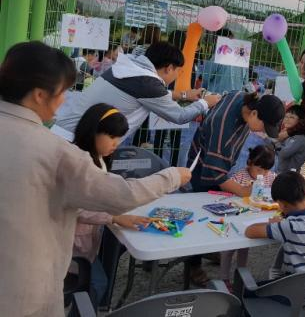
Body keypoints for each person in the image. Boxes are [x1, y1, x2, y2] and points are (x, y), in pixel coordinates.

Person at [0, 41, 191, 316]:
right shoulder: (57, 153)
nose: (65, 101)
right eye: (62, 92)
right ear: (40, 95)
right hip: (24, 294)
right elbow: (121, 196)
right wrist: (172, 176)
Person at [52, 41, 221, 142]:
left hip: (64, 131)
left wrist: (185, 95)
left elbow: (145, 95)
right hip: (77, 141)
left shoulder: (129, 67)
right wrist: (206, 102)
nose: (179, 75)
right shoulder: (147, 83)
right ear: (169, 68)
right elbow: (179, 116)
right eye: (179, 71)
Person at [71, 104, 154, 307]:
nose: (116, 143)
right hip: (73, 243)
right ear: (93, 131)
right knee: (96, 283)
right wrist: (114, 217)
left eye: (120, 137)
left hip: (87, 240)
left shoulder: (99, 158)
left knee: (91, 283)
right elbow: (78, 208)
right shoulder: (78, 162)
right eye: (112, 137)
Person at [189, 91, 284, 197]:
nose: (264, 131)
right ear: (254, 113)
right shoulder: (224, 128)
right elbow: (214, 173)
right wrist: (243, 191)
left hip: (216, 166)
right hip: (203, 174)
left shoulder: (242, 97)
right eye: (264, 127)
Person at [245, 171, 305, 276]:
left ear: (281, 205)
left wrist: (273, 224)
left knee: (249, 287)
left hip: (293, 283)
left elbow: (249, 231)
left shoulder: (289, 226)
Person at [219, 144, 276, 281]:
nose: (262, 174)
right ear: (250, 163)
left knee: (244, 247)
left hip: (253, 219)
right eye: (259, 170)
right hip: (237, 218)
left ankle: (241, 276)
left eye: (266, 171)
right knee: (228, 249)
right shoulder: (240, 176)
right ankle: (224, 278)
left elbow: (276, 187)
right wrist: (246, 190)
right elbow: (228, 192)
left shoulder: (270, 177)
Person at [202, 28, 249, 94]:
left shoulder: (217, 57)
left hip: (217, 96)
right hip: (235, 97)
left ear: (218, 40)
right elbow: (246, 82)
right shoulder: (243, 58)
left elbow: (206, 77)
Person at [276, 105, 305, 173]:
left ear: (300, 121)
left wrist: (277, 141)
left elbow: (283, 153)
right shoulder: (285, 133)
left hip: (289, 176)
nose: (287, 119)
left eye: (292, 117)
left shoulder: (299, 137)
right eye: (286, 116)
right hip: (280, 173)